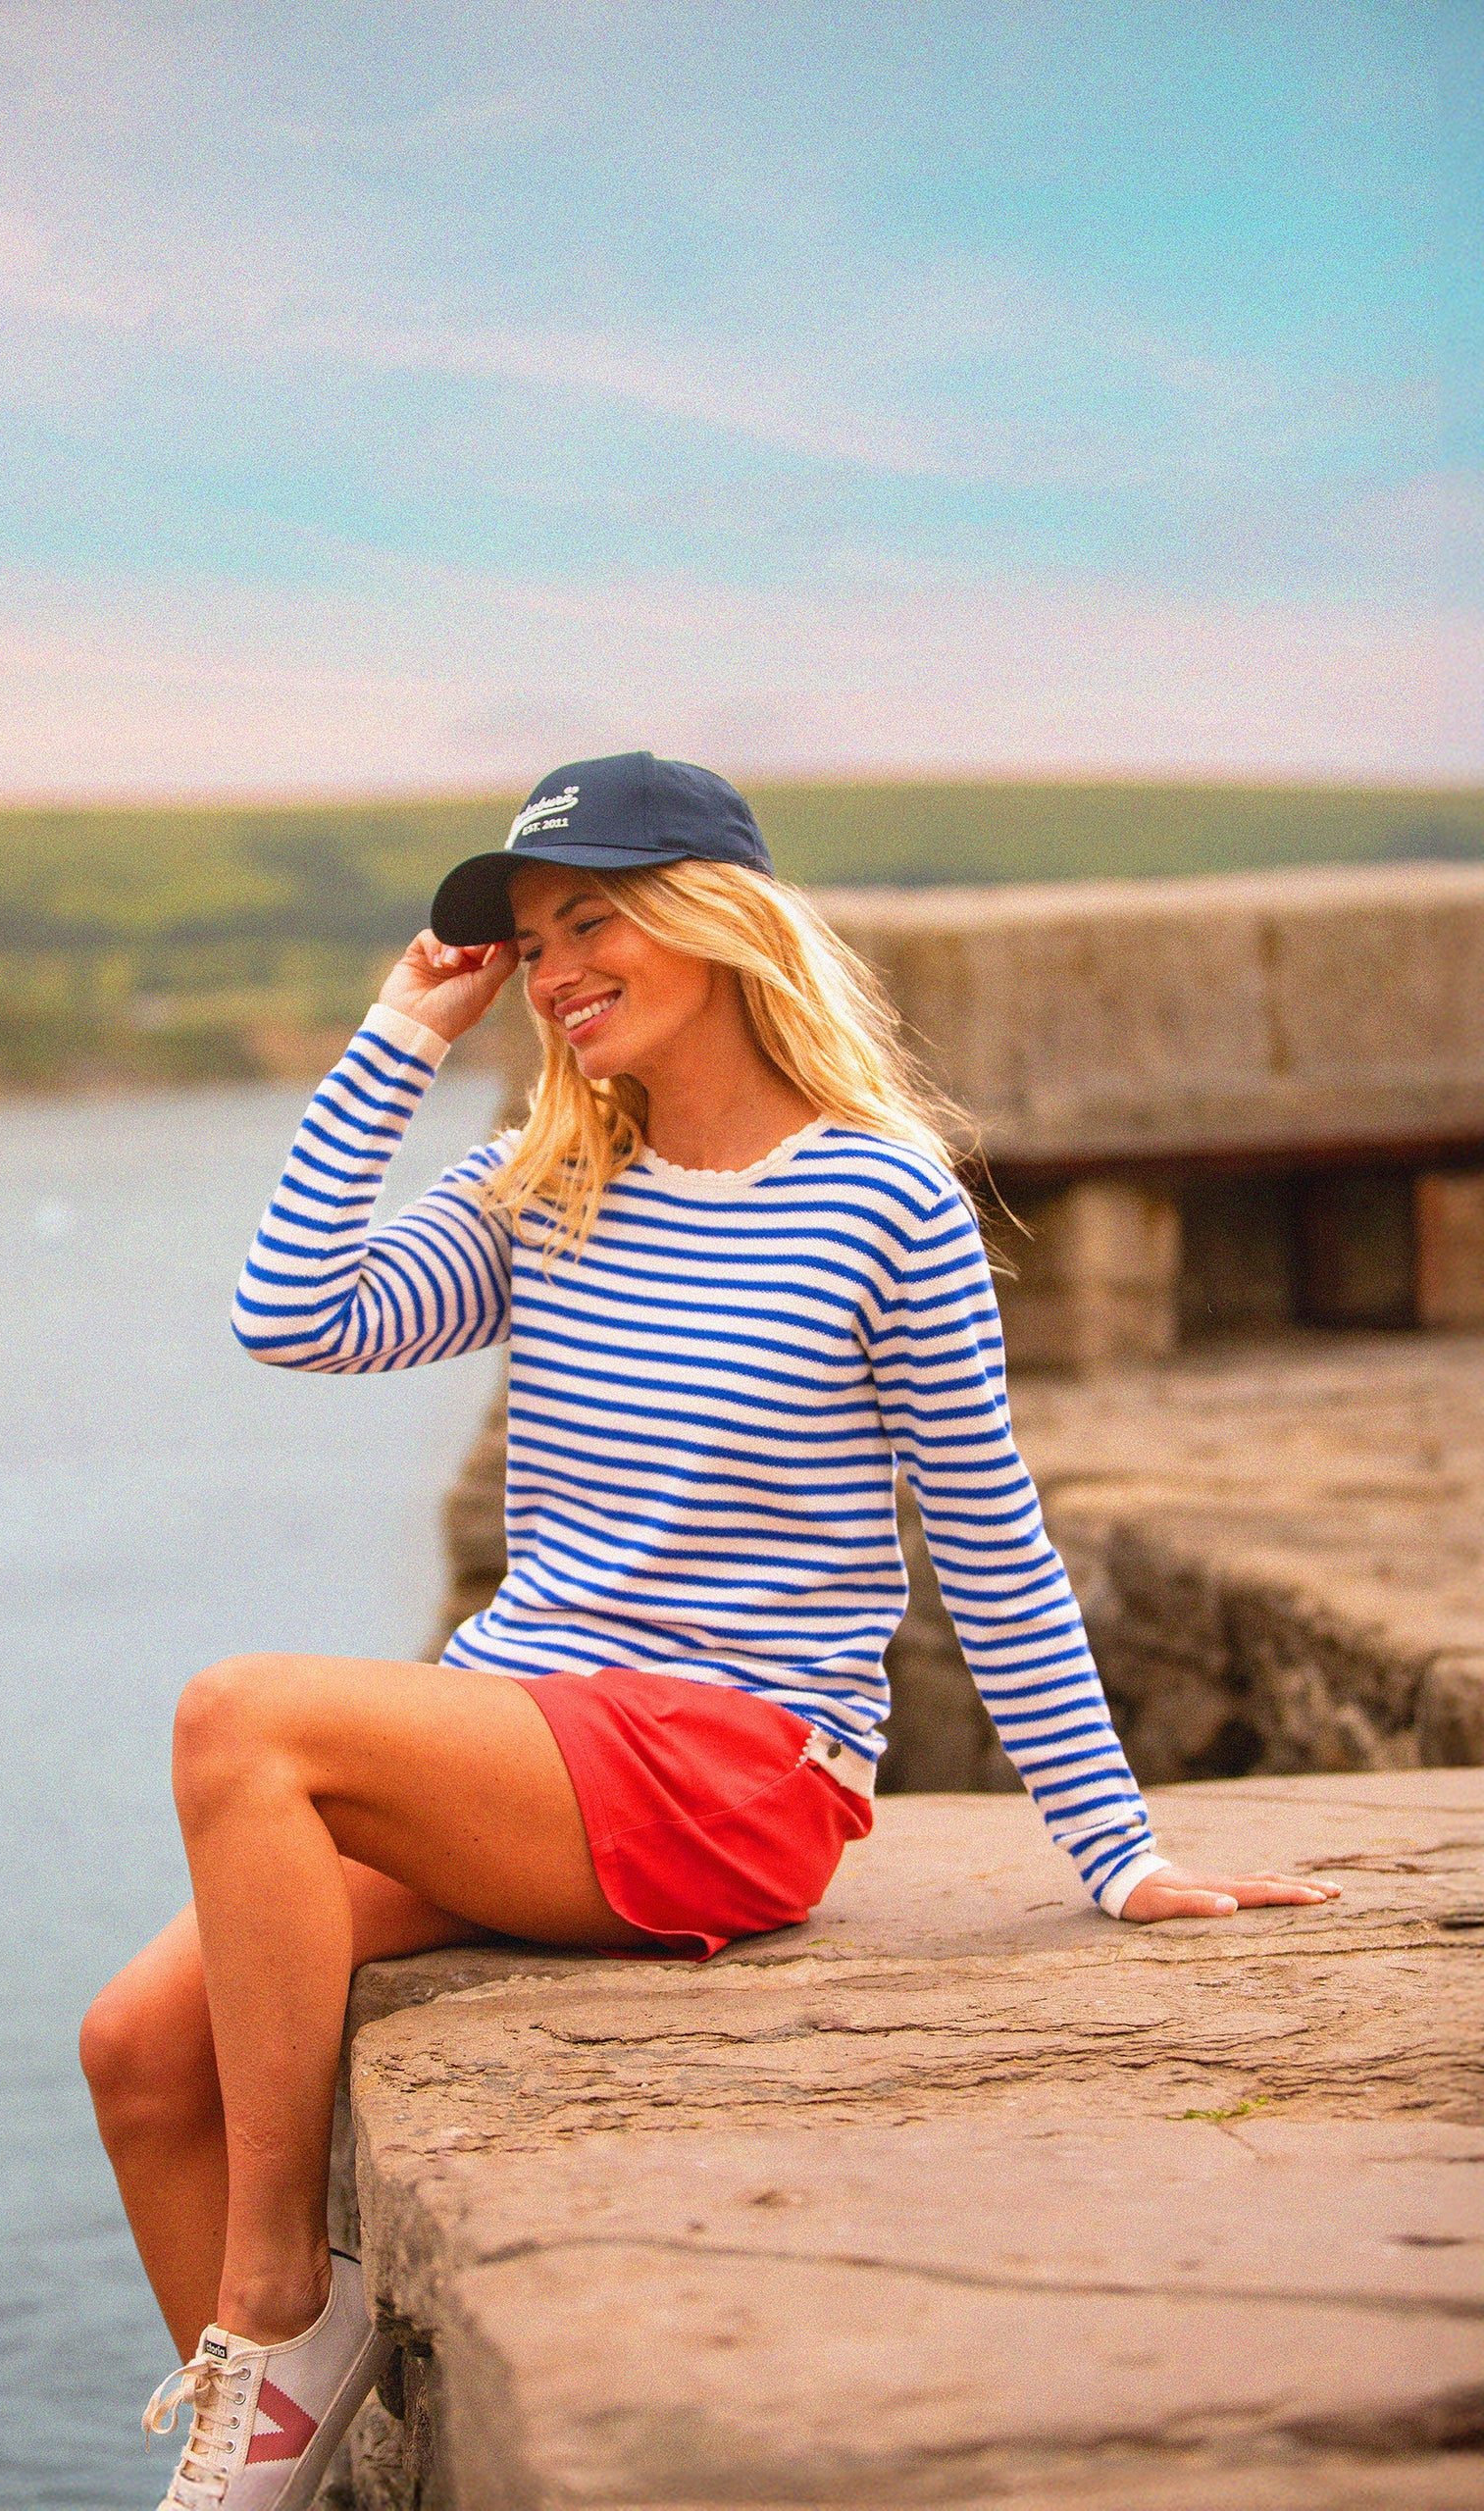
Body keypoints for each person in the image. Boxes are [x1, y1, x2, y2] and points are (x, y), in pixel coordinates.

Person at [80, 751, 1338, 2511]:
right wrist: (403, 1036)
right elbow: (291, 1316)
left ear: (716, 923)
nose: (558, 964)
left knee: (243, 1718)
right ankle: (279, 2449)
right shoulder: (544, 1193)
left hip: (739, 1772)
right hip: (526, 1747)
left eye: (594, 917)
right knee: (137, 2054)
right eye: (532, 938)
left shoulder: (880, 1199)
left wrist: (1116, 1855)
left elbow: (990, 1541)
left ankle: (278, 2310)